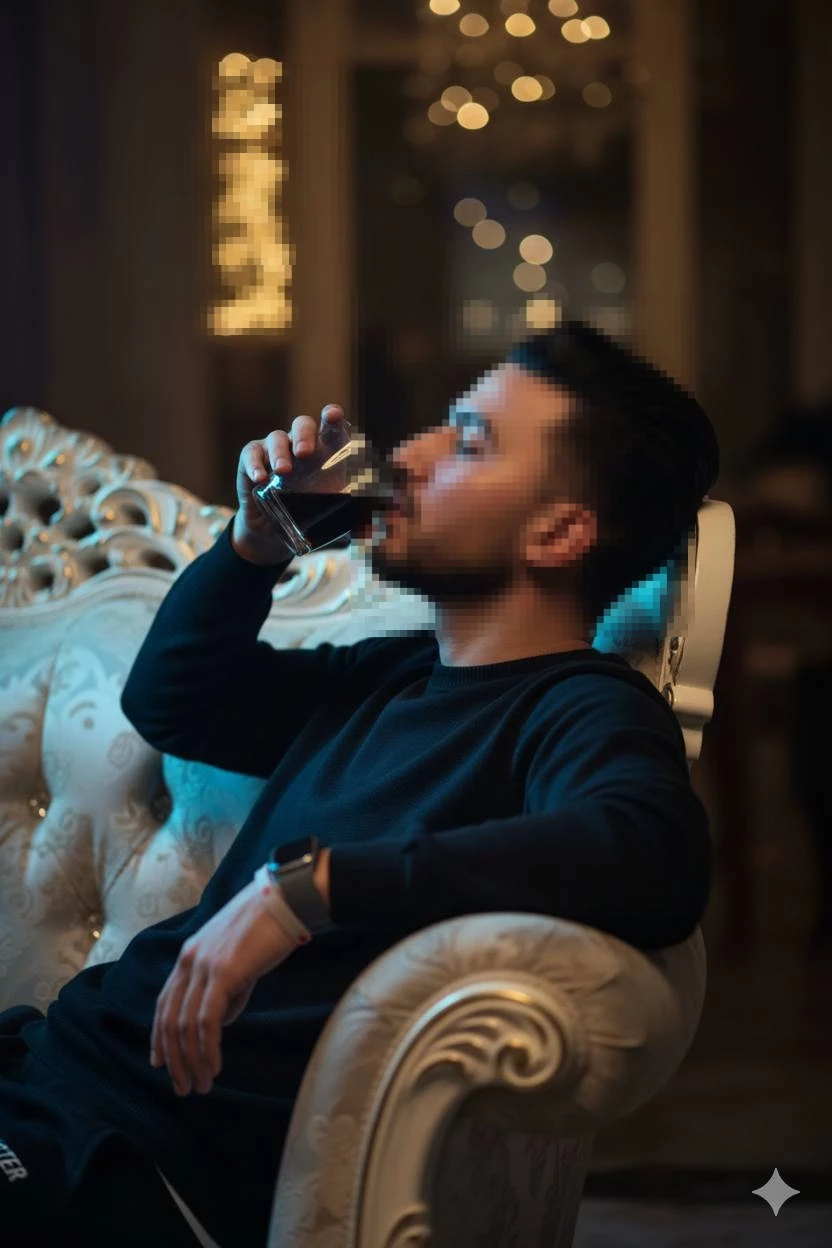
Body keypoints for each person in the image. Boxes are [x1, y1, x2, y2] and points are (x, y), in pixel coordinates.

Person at [0, 321, 719, 1247]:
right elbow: (174, 702)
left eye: (468, 443)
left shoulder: (582, 708)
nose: (405, 459)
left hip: (133, 1158)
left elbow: (651, 856)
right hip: (49, 1070)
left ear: (560, 531)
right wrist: (258, 544)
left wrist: (309, 888)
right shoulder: (385, 674)